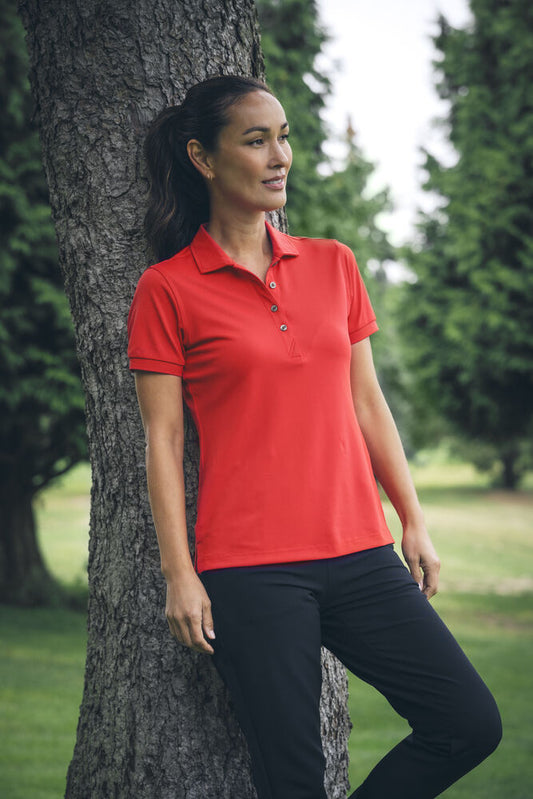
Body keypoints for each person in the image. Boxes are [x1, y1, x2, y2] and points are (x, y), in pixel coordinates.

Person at [127, 75, 501, 799]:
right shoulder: (167, 288)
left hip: (360, 553)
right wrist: (179, 573)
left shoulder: (334, 263)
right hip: (251, 571)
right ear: (203, 159)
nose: (280, 157)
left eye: (284, 137)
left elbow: (368, 402)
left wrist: (412, 519)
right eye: (256, 140)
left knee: (467, 722)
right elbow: (162, 439)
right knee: (292, 780)